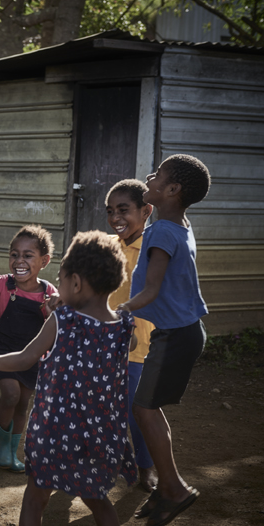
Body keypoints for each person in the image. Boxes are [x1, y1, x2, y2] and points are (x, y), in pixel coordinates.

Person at [0, 230, 138, 526]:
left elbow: (25, 357)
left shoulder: (64, 320)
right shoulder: (124, 327)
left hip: (56, 431)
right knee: (97, 500)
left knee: (34, 502)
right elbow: (132, 344)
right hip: (99, 434)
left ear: (75, 283)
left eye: (60, 278)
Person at [118, 154, 211, 526]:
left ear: (171, 189)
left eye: (157, 175)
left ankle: (174, 487)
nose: (149, 177)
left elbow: (152, 288)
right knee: (148, 408)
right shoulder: (181, 226)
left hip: (175, 337)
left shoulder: (159, 231)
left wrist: (122, 310)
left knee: (143, 409)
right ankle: (166, 486)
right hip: (180, 334)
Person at [0, 225, 57, 472]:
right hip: (2, 346)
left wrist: (50, 310)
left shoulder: (49, 293)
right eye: (14, 254)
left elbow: (54, 322)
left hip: (31, 353)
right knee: (11, 395)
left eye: (28, 255)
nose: (19, 260)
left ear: (44, 261)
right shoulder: (2, 283)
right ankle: (1, 444)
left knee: (23, 404)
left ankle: (10, 453)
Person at [104, 179, 158, 492]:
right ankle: (104, 460)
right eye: (110, 211)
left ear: (146, 210)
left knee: (136, 410)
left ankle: (146, 466)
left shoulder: (153, 248)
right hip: (104, 341)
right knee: (101, 405)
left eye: (123, 210)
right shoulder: (109, 247)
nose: (115, 218)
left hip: (140, 344)